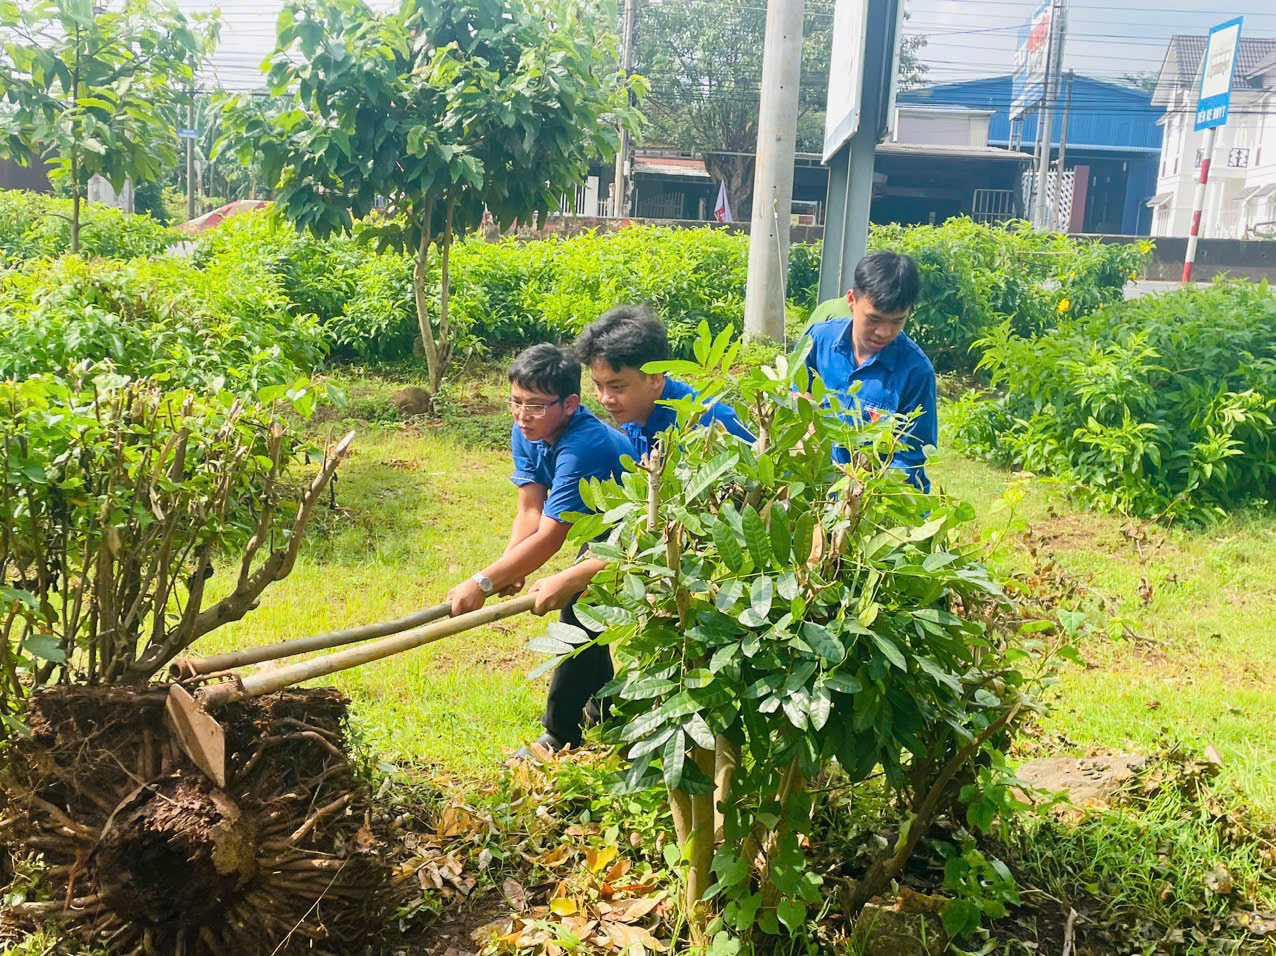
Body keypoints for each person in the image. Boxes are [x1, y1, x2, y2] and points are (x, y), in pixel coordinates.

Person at [446, 343, 633, 758]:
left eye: (535, 405)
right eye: (515, 402)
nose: (522, 415)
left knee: (579, 609)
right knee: (591, 615)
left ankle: (559, 733)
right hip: (597, 523)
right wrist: (506, 572)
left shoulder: (584, 446)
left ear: (570, 404)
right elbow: (531, 507)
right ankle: (605, 707)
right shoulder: (528, 430)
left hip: (639, 527)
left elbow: (551, 537)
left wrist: (482, 581)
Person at [525, 305, 755, 619]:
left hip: (730, 556)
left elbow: (686, 530)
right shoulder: (637, 414)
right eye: (599, 385)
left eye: (617, 386)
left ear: (656, 378)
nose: (605, 398)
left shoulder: (701, 428)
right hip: (677, 536)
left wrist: (577, 577)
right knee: (585, 581)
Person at [800, 251, 937, 492]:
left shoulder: (916, 372)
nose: (884, 332)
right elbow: (798, 392)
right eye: (874, 319)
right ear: (851, 301)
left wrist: (866, 493)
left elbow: (909, 461)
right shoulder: (818, 340)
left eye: (897, 321)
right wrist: (808, 434)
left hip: (876, 502)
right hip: (817, 487)